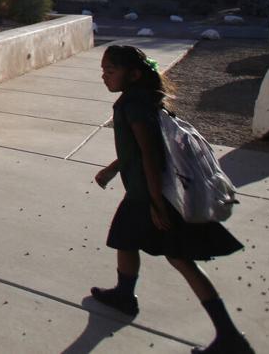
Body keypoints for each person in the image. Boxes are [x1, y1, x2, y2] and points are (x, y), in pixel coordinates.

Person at [91, 44, 252, 354]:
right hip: (146, 194)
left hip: (153, 196)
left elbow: (151, 152)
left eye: (111, 71)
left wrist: (155, 202)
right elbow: (138, 149)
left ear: (134, 74)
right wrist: (113, 170)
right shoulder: (141, 99)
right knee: (125, 240)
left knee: (179, 258)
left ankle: (230, 336)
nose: (104, 76)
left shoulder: (134, 105)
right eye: (103, 71)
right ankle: (125, 295)